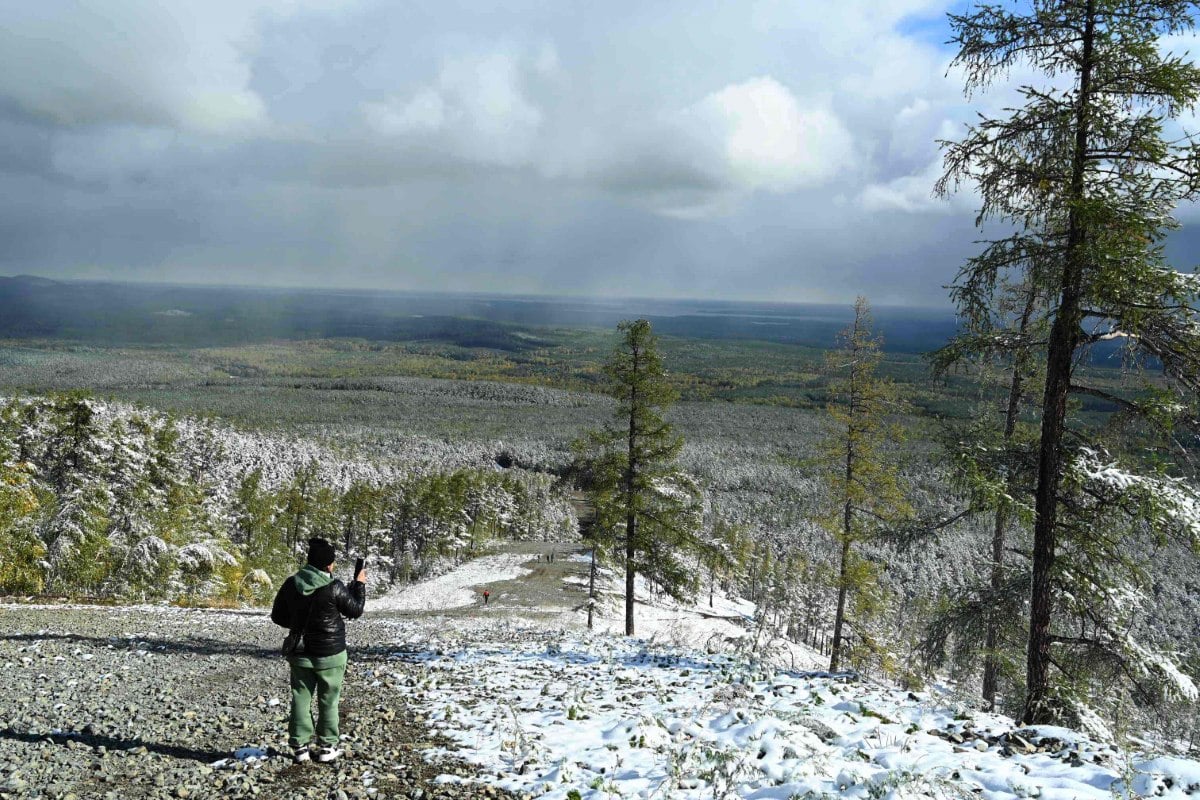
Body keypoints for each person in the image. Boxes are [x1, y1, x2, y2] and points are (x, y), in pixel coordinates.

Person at [271, 537, 367, 764]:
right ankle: (326, 747)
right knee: (329, 700)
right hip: (331, 655)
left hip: (300, 652)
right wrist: (360, 585)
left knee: (300, 700)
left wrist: (298, 625)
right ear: (328, 564)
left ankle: (300, 748)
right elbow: (356, 610)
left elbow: (277, 616)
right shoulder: (334, 587)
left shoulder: (292, 583)